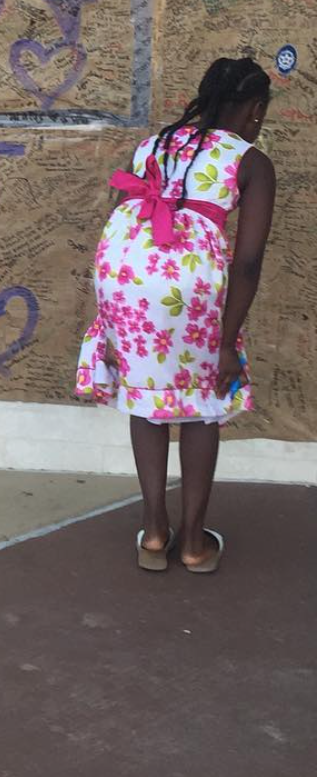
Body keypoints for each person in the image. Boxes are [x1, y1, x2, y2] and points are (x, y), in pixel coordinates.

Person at [76, 58, 275, 573]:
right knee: (202, 405)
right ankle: (192, 542)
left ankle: (154, 532)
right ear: (255, 110)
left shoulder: (155, 144)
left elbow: (120, 209)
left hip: (125, 274)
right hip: (188, 281)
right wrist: (227, 342)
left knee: (145, 398)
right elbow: (248, 261)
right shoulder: (250, 160)